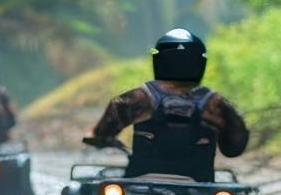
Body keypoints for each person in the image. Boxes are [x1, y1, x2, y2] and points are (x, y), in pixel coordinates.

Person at [85, 28, 249, 182]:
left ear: (159, 60)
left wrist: (98, 137)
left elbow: (101, 133)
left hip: (141, 185)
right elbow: (235, 147)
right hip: (199, 189)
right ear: (199, 62)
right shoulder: (215, 103)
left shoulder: (140, 97)